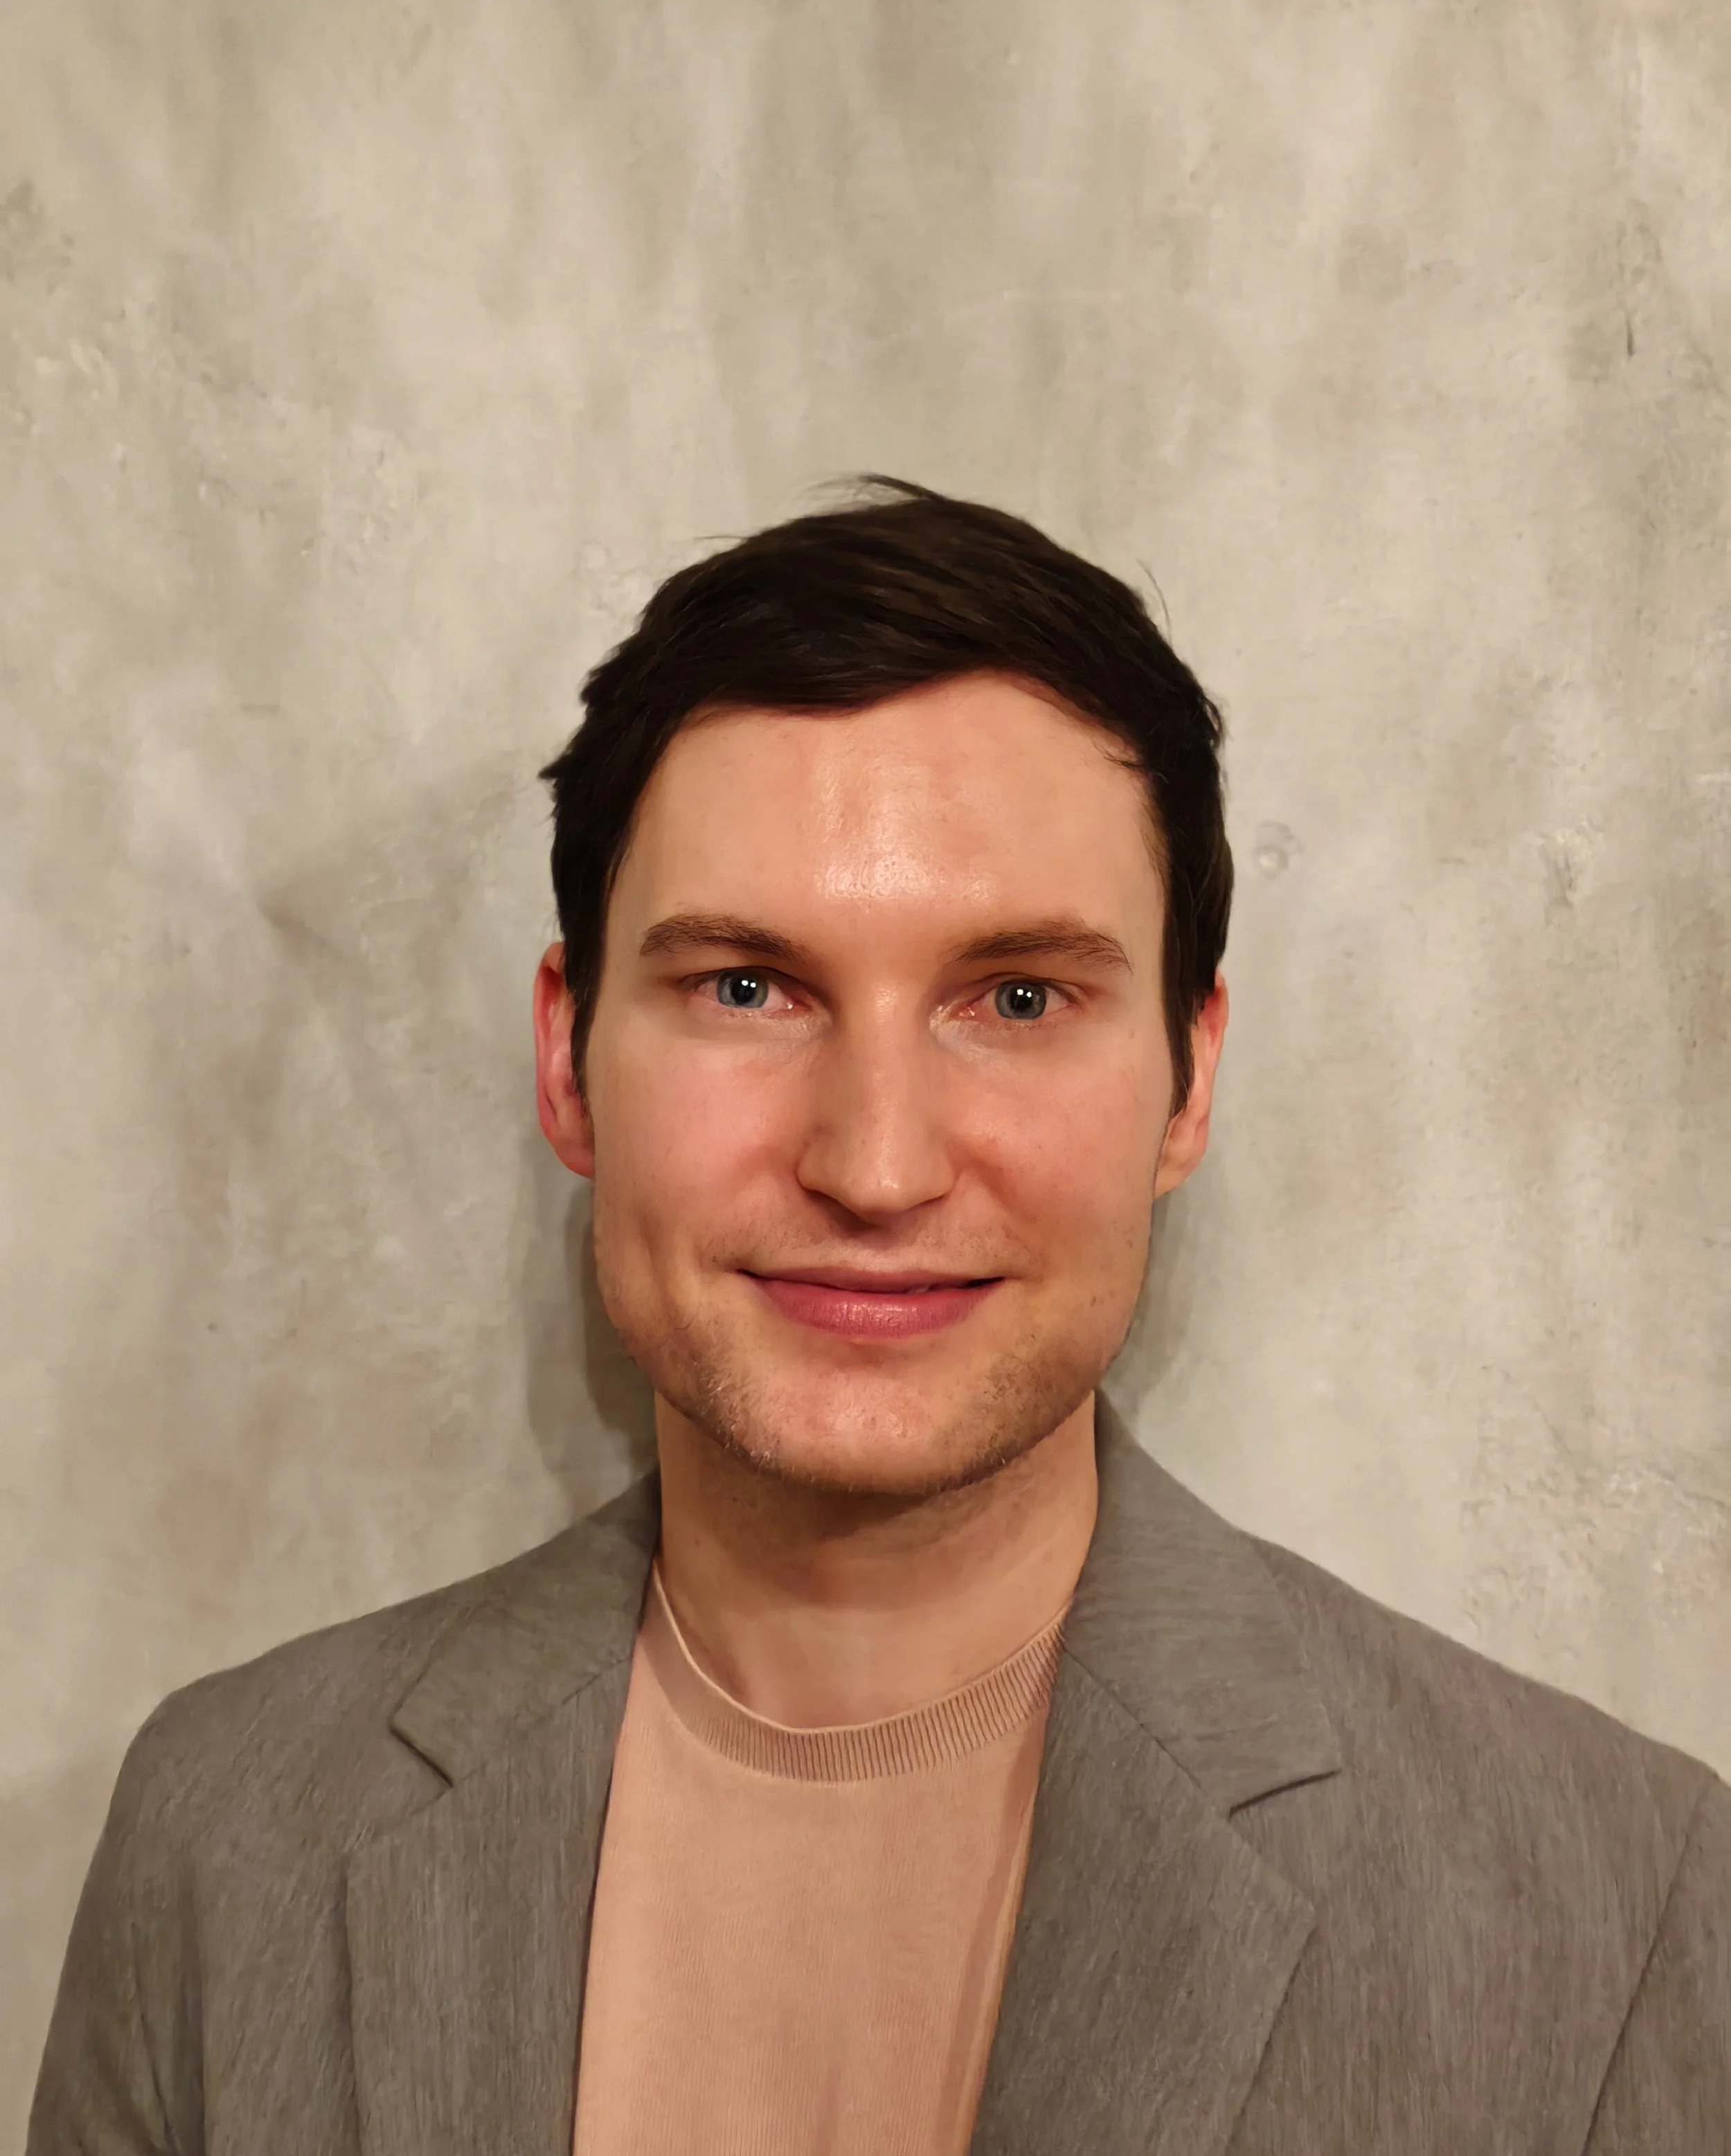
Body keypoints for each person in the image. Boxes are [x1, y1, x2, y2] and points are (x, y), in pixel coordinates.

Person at [29, 480, 1728, 2156]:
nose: (875, 1160)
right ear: (567, 1058)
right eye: (747, 987)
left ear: (1188, 1076)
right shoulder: (228, 1834)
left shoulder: (1614, 1905)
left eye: (1013, 997)